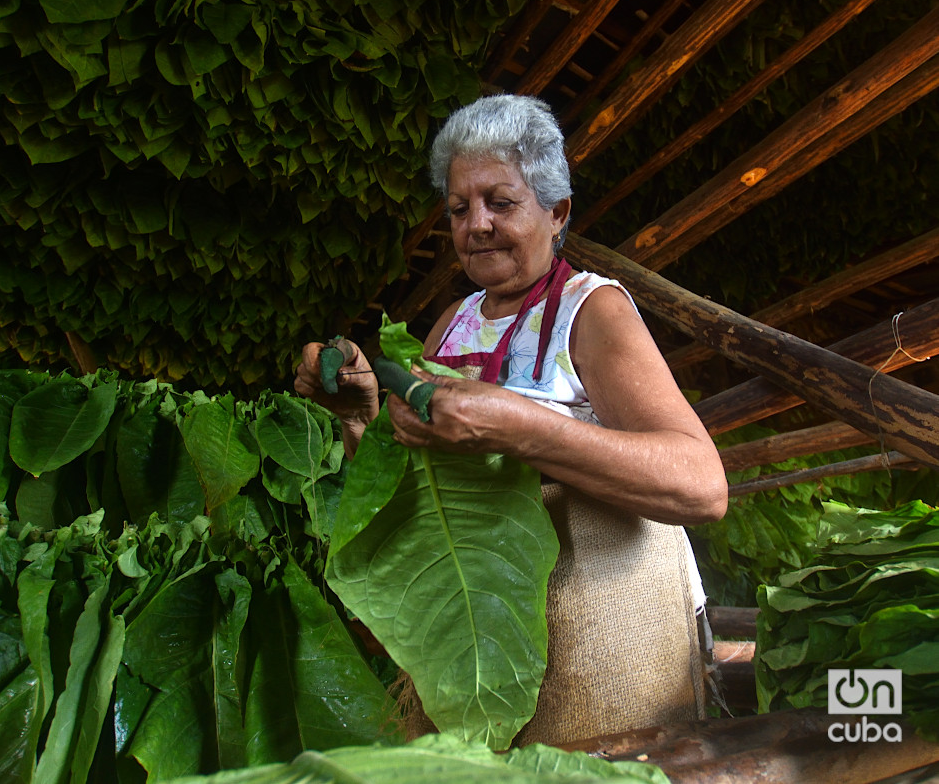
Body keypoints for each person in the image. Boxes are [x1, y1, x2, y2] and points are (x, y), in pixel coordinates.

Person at [295, 93, 728, 745]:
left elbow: (702, 484)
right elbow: (407, 497)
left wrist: (528, 430)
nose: (476, 225)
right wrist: (362, 419)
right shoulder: (452, 324)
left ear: (557, 212)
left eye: (500, 202)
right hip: (475, 644)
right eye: (459, 208)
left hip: (601, 641)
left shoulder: (593, 312)